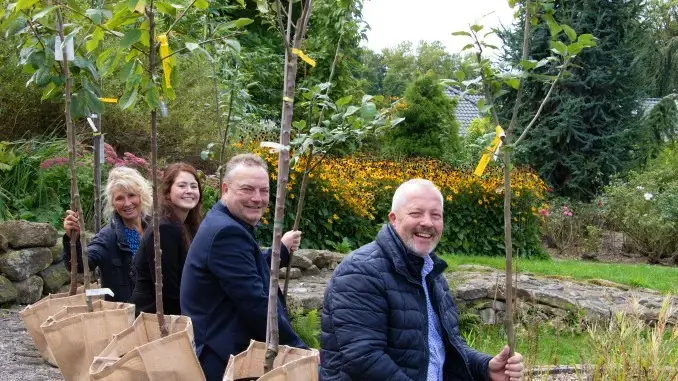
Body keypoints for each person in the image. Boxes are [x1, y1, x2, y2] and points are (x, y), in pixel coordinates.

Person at [319, 179, 525, 381]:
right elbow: (364, 360)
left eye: (436, 215)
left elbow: (446, 348)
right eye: (416, 213)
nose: (427, 222)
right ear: (393, 218)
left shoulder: (431, 275)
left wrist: (486, 368)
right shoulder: (361, 271)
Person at [180, 153, 308, 381]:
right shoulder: (226, 233)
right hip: (221, 360)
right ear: (225, 189)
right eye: (247, 189)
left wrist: (282, 251)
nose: (257, 198)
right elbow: (255, 302)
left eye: (264, 190)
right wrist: (299, 350)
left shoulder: (225, 223)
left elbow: (247, 266)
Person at [62, 166, 153, 302]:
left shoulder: (154, 229)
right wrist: (72, 239)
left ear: (141, 196)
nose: (127, 203)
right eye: (120, 198)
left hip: (157, 310)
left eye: (132, 195)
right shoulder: (108, 237)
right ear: (113, 203)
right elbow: (82, 265)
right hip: (126, 313)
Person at [130, 162, 202, 315]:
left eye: (194, 186)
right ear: (168, 192)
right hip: (155, 316)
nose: (189, 191)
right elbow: (168, 289)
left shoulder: (187, 225)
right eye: (182, 186)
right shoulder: (165, 228)